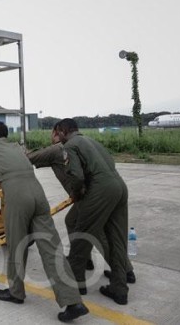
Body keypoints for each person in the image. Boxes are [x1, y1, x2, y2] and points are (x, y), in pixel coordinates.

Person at [0, 121, 88, 322]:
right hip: (37, 193)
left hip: (17, 195)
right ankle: (73, 301)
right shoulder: (16, 146)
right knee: (52, 248)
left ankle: (15, 292)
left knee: (17, 244)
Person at [27, 126, 136, 290]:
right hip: (117, 187)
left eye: (52, 133)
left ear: (59, 133)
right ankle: (118, 275)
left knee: (90, 234)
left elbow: (30, 158)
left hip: (95, 194)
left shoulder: (60, 147)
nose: (51, 137)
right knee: (74, 221)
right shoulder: (90, 141)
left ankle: (79, 280)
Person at [54, 118, 130, 305]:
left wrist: (77, 193)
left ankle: (76, 284)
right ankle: (120, 288)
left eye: (57, 134)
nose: (57, 138)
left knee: (81, 238)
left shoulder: (70, 146)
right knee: (117, 240)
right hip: (119, 187)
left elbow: (77, 176)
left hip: (100, 190)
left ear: (64, 131)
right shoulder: (92, 141)